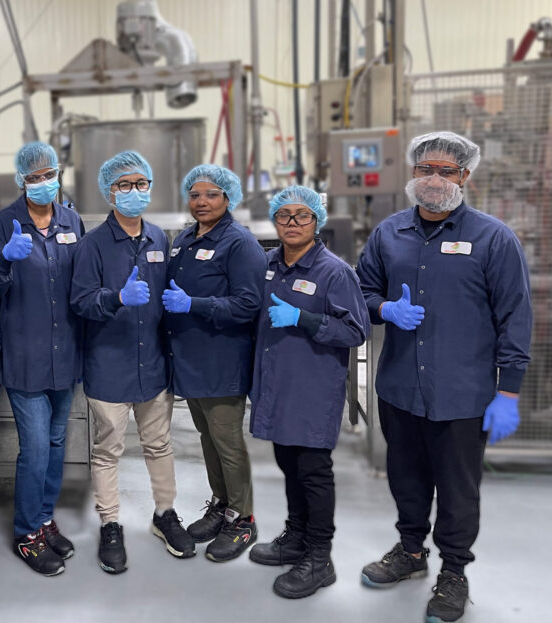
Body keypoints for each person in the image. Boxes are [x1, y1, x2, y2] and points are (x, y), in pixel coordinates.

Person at [356, 131, 531, 623]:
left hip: (462, 392)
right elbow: (361, 291)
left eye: (445, 171)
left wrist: (509, 391)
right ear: (412, 175)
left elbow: (514, 316)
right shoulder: (389, 233)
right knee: (406, 478)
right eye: (424, 169)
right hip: (399, 389)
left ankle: (453, 571)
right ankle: (411, 553)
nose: (434, 179)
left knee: (457, 490)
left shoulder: (493, 238)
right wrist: (385, 307)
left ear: (464, 176)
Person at [71, 150, 194, 575]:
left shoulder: (160, 239)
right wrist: (116, 298)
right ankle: (110, 523)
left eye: (141, 183)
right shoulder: (92, 245)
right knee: (108, 451)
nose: (134, 191)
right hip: (109, 365)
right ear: (109, 192)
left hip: (154, 367)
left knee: (160, 445)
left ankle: (165, 514)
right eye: (124, 185)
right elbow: (81, 301)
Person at [248, 186, 369, 599]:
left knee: (314, 472)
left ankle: (320, 557)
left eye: (302, 215)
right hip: (277, 385)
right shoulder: (269, 265)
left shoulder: (334, 271)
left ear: (316, 220)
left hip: (313, 388)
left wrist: (305, 318)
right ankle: (295, 538)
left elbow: (356, 331)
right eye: (284, 216)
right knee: (288, 463)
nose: (293, 223)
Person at [0, 141, 83, 576]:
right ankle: (26, 533)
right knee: (36, 447)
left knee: (57, 443)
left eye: (49, 174)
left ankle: (43, 518)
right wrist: (3, 260)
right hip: (24, 356)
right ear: (22, 181)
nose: (44, 183)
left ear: (59, 174)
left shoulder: (71, 220)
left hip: (67, 353)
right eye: (35, 177)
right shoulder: (4, 224)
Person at [162, 164, 266, 562]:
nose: (201, 202)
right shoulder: (185, 238)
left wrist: (194, 304)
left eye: (211, 195)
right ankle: (222, 506)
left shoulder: (239, 243)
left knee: (228, 442)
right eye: (195, 195)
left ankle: (243, 518)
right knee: (208, 440)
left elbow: (248, 303)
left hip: (222, 359)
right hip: (190, 358)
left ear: (228, 198)